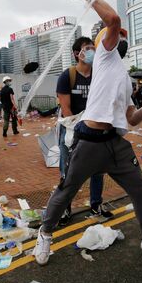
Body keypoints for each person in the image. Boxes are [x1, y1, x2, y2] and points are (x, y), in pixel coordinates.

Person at [33, 0, 142, 265]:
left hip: (115, 143)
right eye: (114, 34)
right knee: (67, 190)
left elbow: (132, 119)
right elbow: (112, 20)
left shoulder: (123, 77)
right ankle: (45, 234)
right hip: (89, 142)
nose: (118, 35)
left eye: (121, 35)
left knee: (140, 189)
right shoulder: (104, 56)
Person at [55, 36, 111, 225]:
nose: (91, 51)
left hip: (94, 127)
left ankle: (96, 204)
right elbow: (66, 108)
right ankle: (64, 208)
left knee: (97, 169)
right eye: (87, 48)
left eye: (92, 48)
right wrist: (78, 132)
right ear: (77, 54)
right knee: (68, 169)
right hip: (71, 129)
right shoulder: (67, 76)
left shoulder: (99, 74)